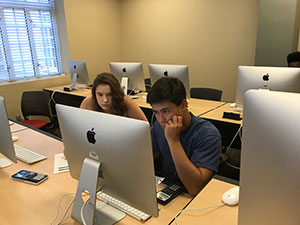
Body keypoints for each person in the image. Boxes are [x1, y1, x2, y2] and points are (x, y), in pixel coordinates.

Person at [147, 77, 221, 196]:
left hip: (190, 197)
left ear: (183, 105)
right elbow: (150, 156)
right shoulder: (158, 126)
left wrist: (173, 141)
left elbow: (195, 188)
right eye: (156, 112)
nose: (161, 119)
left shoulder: (208, 135)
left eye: (165, 111)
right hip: (165, 187)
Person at [80, 72, 148, 121]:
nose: (105, 100)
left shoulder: (126, 102)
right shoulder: (88, 102)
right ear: (94, 94)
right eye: (100, 95)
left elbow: (146, 127)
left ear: (116, 94)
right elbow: (79, 125)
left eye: (109, 95)